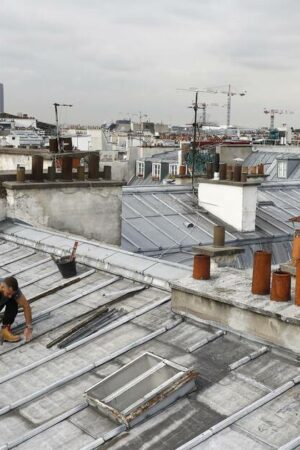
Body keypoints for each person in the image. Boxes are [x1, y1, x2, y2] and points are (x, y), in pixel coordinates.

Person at [0, 276, 33, 343]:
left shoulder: (11, 289)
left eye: (11, 294)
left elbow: (26, 306)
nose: (10, 296)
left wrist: (28, 327)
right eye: (8, 293)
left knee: (13, 300)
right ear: (2, 287)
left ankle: (5, 329)